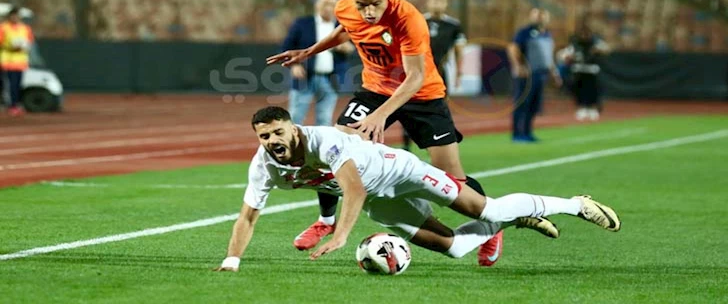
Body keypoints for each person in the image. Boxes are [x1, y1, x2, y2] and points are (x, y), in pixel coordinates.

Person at [268, 0, 508, 266]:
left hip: (423, 96)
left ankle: (492, 225)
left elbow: (415, 77)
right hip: (375, 90)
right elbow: (346, 30)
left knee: (452, 178)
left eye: (376, 4)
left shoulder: (408, 19)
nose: (368, 12)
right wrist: (310, 51)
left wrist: (380, 116)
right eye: (362, 5)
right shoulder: (345, 8)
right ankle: (326, 220)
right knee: (334, 147)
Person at [213, 106, 621, 272]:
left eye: (278, 132)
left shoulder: (323, 142)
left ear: (294, 129)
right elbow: (248, 216)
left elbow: (352, 189)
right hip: (380, 204)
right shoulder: (264, 166)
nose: (272, 141)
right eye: (264, 136)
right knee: (454, 248)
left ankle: (575, 204)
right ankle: (512, 222)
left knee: (485, 209)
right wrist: (232, 261)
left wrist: (340, 235)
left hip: (401, 172)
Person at [401, 0, 467, 152]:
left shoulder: (454, 26)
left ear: (446, 4)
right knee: (406, 106)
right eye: (435, 0)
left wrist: (459, 72)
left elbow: (459, 50)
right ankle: (406, 144)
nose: (437, 4)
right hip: (415, 71)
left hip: (439, 73)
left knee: (439, 108)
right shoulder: (416, 20)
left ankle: (439, 144)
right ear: (428, 2)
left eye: (441, 1)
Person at [281, 0, 354, 126]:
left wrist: (347, 48)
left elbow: (354, 48)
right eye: (325, 5)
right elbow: (287, 46)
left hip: (331, 78)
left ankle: (321, 140)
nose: (328, 8)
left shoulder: (344, 26)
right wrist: (294, 65)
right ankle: (291, 139)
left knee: (325, 118)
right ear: (317, 7)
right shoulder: (303, 24)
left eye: (332, 5)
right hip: (305, 76)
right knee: (295, 116)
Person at [506, 8, 562, 142]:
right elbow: (512, 48)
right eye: (537, 15)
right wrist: (518, 66)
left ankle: (527, 132)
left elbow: (548, 57)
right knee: (522, 104)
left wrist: (555, 73)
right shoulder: (524, 32)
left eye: (543, 15)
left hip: (541, 74)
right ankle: (517, 134)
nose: (540, 18)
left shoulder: (547, 34)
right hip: (527, 74)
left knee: (534, 105)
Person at [559, 20, 611, 120]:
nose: (584, 35)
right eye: (582, 33)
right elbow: (563, 55)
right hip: (579, 70)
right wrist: (569, 57)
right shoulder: (575, 44)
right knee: (579, 91)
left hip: (592, 70)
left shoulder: (596, 42)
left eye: (586, 33)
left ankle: (592, 109)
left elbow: (607, 49)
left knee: (593, 90)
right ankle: (582, 108)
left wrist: (598, 50)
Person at [0, 6, 34, 116]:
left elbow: (30, 42)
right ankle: (10, 105)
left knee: (17, 85)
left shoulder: (25, 28)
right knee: (9, 85)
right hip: (7, 62)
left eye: (17, 16)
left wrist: (24, 46)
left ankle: (15, 104)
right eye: (13, 16)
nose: (15, 18)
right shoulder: (3, 28)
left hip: (20, 63)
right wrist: (10, 47)